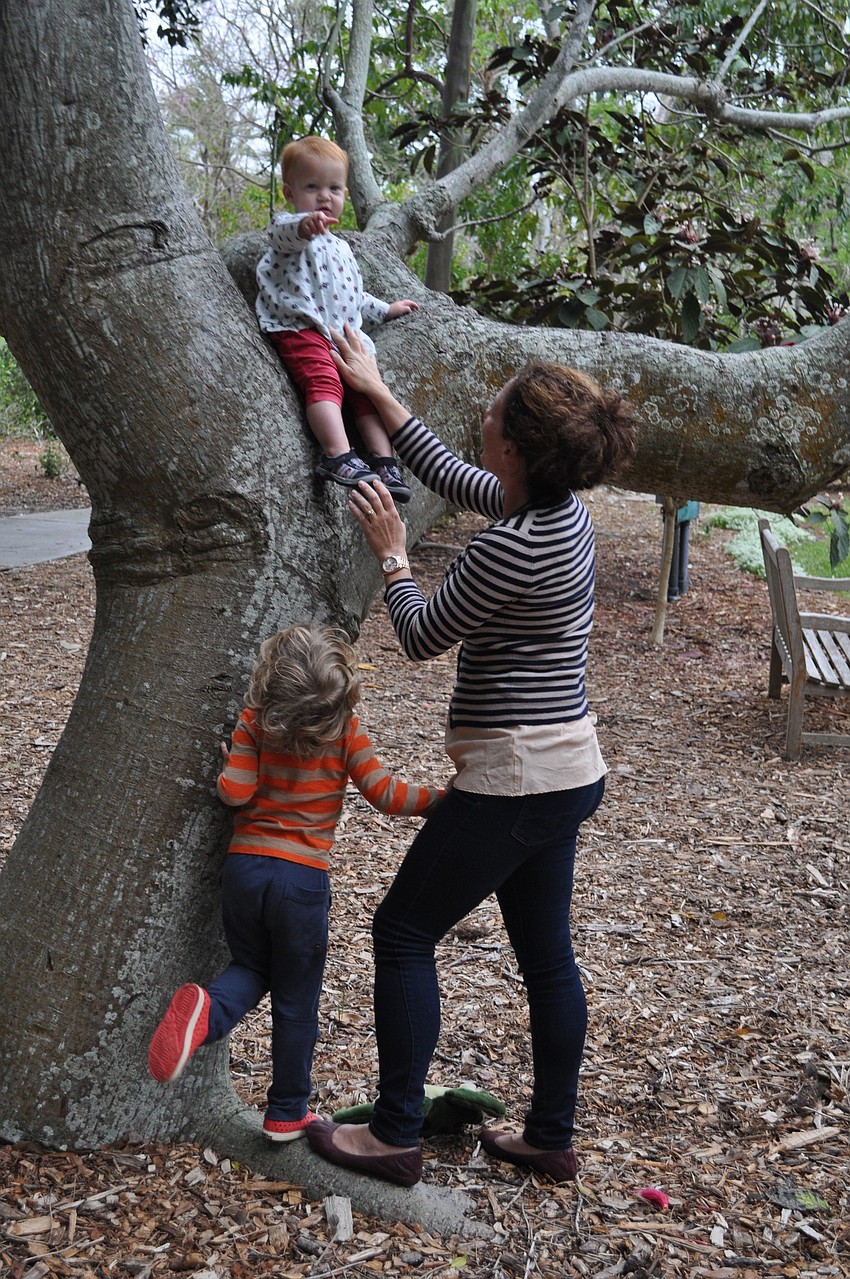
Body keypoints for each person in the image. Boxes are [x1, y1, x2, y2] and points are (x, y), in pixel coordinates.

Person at [306, 327, 636, 1188]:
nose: (482, 415)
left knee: (404, 929)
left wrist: (392, 555)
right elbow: (458, 478)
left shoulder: (511, 545)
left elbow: (418, 633)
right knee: (548, 957)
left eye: (493, 410)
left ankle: (395, 1135)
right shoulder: (559, 513)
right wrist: (377, 393)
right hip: (569, 768)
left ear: (517, 446)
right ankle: (549, 1137)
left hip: (515, 780)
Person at [148, 623, 445, 1142]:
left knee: (250, 965)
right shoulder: (348, 731)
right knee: (295, 1000)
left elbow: (235, 793)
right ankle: (287, 1110)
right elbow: (386, 795)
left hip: (244, 872)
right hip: (302, 881)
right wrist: (439, 800)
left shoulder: (253, 723)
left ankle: (207, 1014)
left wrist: (226, 771)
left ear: (270, 681)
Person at [256, 135, 419, 501]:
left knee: (367, 392)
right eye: (312, 187)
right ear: (290, 192)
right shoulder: (288, 230)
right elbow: (283, 235)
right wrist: (303, 225)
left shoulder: (342, 247)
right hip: (301, 327)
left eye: (334, 188)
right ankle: (337, 453)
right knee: (325, 380)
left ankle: (383, 460)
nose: (324, 197)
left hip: (344, 334)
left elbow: (353, 297)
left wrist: (387, 309)